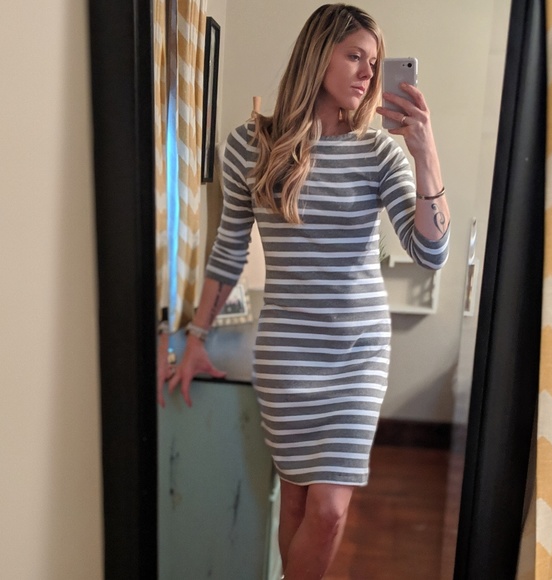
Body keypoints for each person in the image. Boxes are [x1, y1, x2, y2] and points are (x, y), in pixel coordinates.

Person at [168, 4, 450, 578]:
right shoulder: (250, 145)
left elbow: (431, 252)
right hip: (288, 352)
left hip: (357, 354)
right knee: (295, 501)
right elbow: (229, 250)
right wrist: (197, 337)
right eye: (355, 56)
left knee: (328, 511)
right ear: (317, 54)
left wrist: (425, 153)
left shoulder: (379, 153)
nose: (368, 73)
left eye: (374, 62)